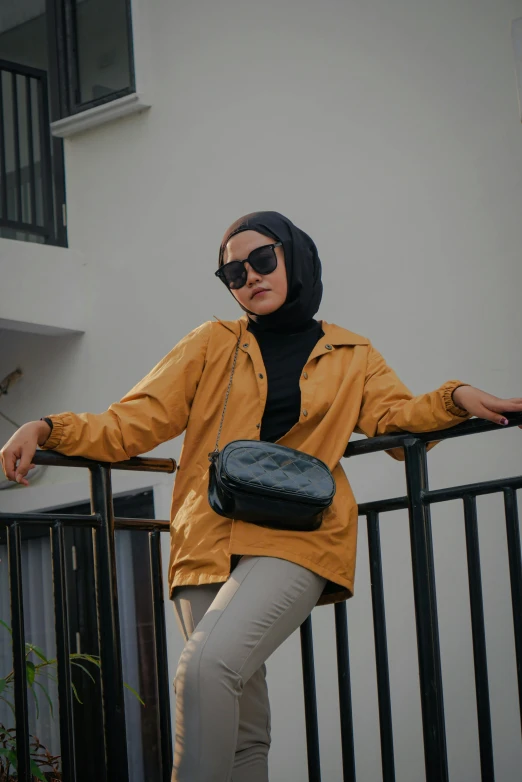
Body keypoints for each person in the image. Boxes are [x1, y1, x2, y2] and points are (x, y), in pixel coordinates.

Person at [1, 211, 521, 782]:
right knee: (243, 731)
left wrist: (457, 397)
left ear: (293, 256)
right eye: (233, 272)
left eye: (263, 260)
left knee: (204, 668)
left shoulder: (352, 354)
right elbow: (135, 423)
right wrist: (49, 428)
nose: (250, 277)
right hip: (207, 538)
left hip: (298, 537)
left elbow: (395, 423)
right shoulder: (211, 342)